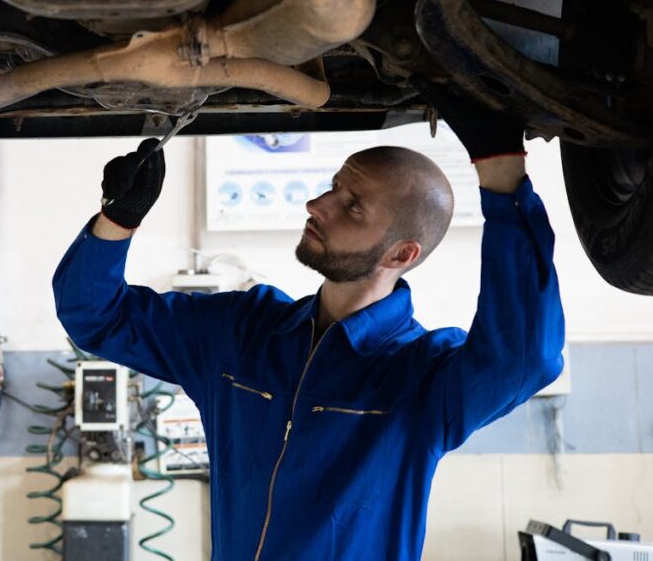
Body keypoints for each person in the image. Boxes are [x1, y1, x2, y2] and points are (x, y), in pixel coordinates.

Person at [52, 101, 565, 560]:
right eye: (333, 188)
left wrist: (502, 178)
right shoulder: (242, 333)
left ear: (401, 254)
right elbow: (95, 316)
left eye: (352, 206)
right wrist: (119, 218)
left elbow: (524, 359)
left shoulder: (421, 378)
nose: (317, 206)